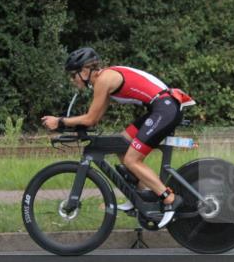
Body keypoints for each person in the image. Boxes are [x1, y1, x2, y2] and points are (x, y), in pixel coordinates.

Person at [41, 47, 194, 226]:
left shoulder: (103, 80)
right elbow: (95, 118)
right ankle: (141, 196)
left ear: (84, 71)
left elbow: (90, 119)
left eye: (73, 75)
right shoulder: (104, 79)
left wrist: (60, 121)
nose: (72, 80)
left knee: (131, 160)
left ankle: (169, 199)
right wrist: (69, 123)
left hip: (165, 108)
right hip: (161, 107)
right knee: (121, 144)